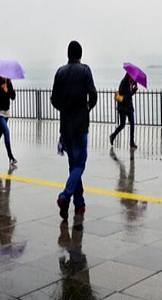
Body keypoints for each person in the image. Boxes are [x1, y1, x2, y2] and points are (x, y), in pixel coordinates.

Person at [51, 40, 98, 220]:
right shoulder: (85, 71)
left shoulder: (60, 72)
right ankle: (64, 197)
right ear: (80, 54)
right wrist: (87, 107)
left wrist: (65, 108)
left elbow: (54, 99)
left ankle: (79, 204)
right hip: (80, 125)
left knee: (73, 165)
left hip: (65, 127)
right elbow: (93, 95)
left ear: (68, 54)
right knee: (79, 164)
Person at [0, 76, 18, 164]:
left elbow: (13, 96)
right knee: (6, 132)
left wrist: (8, 89)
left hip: (6, 112)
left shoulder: (9, 82)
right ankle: (11, 157)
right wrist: (2, 90)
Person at [109, 73, 138, 149]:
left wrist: (134, 89)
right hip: (122, 107)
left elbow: (130, 95)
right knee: (122, 125)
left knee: (132, 123)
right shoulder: (123, 82)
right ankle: (113, 136)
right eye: (132, 76)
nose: (133, 78)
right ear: (129, 75)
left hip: (129, 106)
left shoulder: (132, 83)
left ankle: (131, 142)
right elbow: (122, 94)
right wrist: (132, 91)